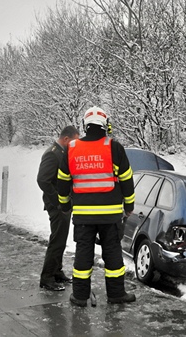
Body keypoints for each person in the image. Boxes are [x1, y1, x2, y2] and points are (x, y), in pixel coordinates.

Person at [57, 106, 136, 306]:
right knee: (112, 254)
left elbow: (63, 182)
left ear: (85, 125)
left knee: (83, 255)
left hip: (84, 217)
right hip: (110, 216)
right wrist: (129, 206)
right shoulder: (114, 147)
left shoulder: (72, 148)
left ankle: (80, 297)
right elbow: (126, 179)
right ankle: (116, 295)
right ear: (105, 124)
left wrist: (65, 205)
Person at [37, 125, 80, 291]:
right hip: (57, 205)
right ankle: (47, 277)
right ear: (66, 139)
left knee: (61, 239)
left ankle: (57, 271)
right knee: (57, 240)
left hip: (63, 204)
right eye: (74, 141)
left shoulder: (60, 152)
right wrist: (58, 201)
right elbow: (43, 180)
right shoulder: (52, 154)